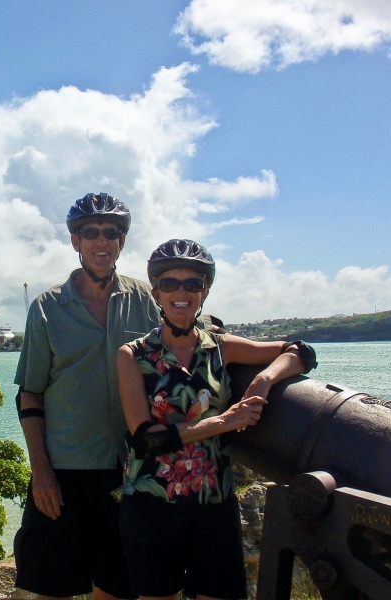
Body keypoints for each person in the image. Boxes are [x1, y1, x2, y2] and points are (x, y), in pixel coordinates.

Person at [116, 239, 317, 600]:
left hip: (214, 502)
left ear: (205, 291)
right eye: (170, 284)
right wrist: (226, 421)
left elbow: (300, 351)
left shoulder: (220, 346)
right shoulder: (133, 355)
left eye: (193, 284)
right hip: (152, 504)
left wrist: (264, 379)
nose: (182, 292)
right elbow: (147, 439)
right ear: (156, 292)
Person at [13, 193, 162, 600]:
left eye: (112, 233)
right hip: (66, 471)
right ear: (75, 241)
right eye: (90, 233)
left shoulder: (145, 302)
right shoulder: (47, 308)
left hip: (130, 470)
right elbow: (29, 396)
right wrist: (40, 472)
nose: (102, 241)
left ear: (122, 242)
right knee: (52, 587)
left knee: (117, 586)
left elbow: (185, 340)